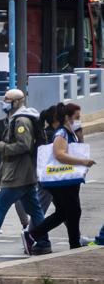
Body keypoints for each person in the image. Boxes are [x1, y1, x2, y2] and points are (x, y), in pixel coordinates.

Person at [0, 89, 51, 255]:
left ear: (18, 102)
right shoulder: (17, 119)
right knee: (35, 211)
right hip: (25, 173)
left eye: (8, 99)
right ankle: (43, 242)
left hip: (17, 174)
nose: (4, 102)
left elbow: (24, 146)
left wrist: (1, 146)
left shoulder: (21, 121)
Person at [23, 103, 96, 252]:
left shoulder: (70, 133)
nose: (78, 120)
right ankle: (74, 245)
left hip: (67, 179)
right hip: (61, 179)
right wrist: (83, 162)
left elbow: (77, 149)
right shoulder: (61, 134)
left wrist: (80, 135)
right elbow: (59, 154)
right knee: (73, 211)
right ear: (67, 118)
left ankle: (32, 236)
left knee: (64, 212)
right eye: (76, 117)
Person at [0, 116, 30, 233]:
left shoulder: (2, 123)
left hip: (7, 167)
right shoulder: (9, 125)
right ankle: (26, 225)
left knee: (4, 197)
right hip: (8, 167)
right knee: (14, 196)